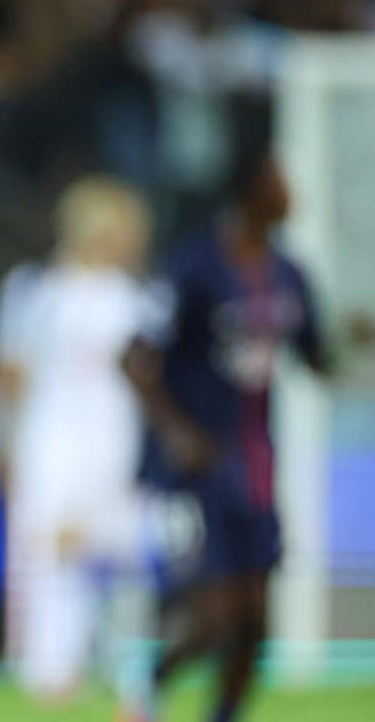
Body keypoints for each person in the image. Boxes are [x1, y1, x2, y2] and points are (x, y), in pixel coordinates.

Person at [121, 145, 326, 722]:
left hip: (256, 467)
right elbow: (134, 357)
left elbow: (317, 355)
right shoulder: (194, 266)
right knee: (217, 615)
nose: (290, 191)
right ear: (252, 187)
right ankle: (147, 688)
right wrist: (178, 433)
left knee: (256, 622)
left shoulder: (287, 274)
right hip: (199, 468)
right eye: (279, 177)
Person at [0, 176, 158, 712]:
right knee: (46, 559)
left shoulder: (140, 301)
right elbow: (8, 371)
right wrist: (2, 438)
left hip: (115, 441)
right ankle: (48, 673)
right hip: (49, 442)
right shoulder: (35, 292)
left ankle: (129, 672)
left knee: (122, 558)